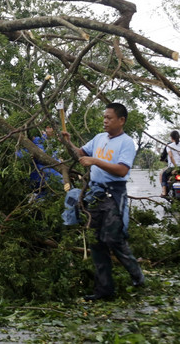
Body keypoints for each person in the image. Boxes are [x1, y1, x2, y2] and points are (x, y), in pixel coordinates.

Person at [61, 103, 145, 301]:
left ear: (121, 120)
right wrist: (68, 143)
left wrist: (96, 161)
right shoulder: (99, 138)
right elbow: (81, 153)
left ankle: (137, 275)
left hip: (113, 194)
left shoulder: (126, 143)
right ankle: (104, 290)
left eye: (109, 118)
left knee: (112, 238)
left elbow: (122, 170)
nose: (105, 121)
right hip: (95, 193)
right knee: (96, 242)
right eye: (104, 117)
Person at [160, 130, 180, 196]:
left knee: (163, 175)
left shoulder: (169, 146)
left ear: (171, 137)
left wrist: (176, 167)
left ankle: (164, 192)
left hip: (173, 167)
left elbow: (171, 156)